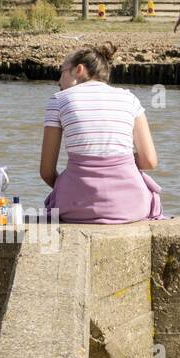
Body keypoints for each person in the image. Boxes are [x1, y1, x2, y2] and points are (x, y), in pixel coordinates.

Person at [40, 43, 163, 224]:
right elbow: (149, 161)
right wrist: (120, 159)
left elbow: (46, 171)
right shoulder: (130, 99)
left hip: (74, 207)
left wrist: (72, 186)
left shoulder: (58, 100)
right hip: (131, 207)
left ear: (79, 70)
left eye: (62, 72)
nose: (59, 81)